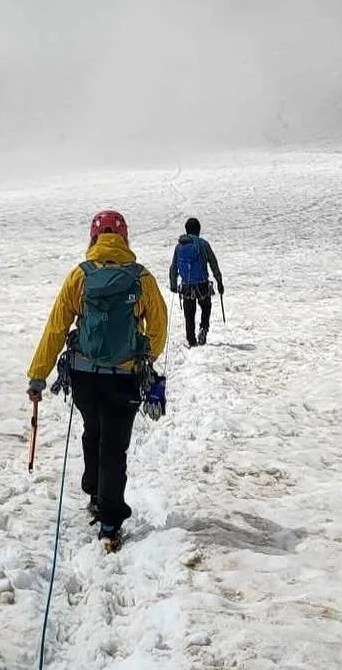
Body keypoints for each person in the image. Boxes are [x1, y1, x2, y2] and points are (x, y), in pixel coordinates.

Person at [27, 209, 168, 550]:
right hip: (124, 377)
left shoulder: (80, 276)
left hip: (84, 377)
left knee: (93, 431)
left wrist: (38, 375)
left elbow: (57, 327)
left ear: (93, 238)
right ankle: (109, 521)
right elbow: (159, 328)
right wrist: (142, 358)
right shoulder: (141, 278)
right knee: (114, 446)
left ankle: (94, 491)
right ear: (124, 238)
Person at [169, 216, 225, 347]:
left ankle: (191, 341)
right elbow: (213, 263)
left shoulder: (179, 246)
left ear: (186, 230)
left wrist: (173, 284)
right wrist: (219, 281)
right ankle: (203, 328)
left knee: (189, 314)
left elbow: (173, 267)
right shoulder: (203, 244)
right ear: (198, 230)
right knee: (206, 307)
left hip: (186, 286)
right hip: (202, 284)